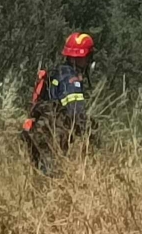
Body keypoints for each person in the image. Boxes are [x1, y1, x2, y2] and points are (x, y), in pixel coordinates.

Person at [21, 32, 95, 175]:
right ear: (84, 58)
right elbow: (76, 114)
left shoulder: (57, 73)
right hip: (51, 140)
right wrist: (93, 137)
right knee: (53, 180)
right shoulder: (72, 81)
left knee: (40, 179)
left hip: (37, 135)